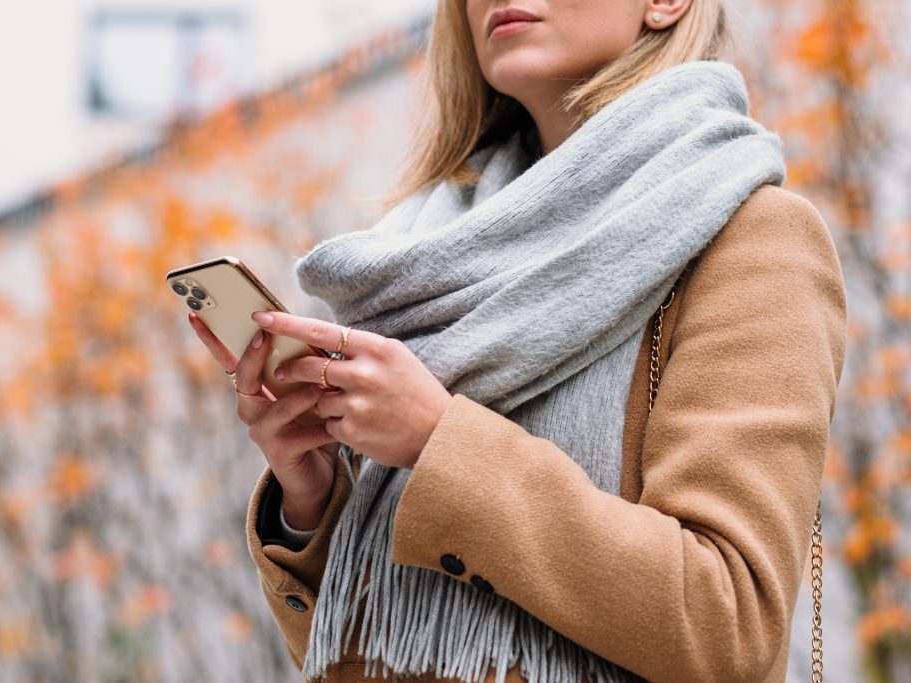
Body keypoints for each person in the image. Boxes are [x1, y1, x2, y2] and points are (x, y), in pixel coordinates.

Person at [188, 0, 847, 681]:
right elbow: (364, 649)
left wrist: (442, 442)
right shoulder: (422, 252)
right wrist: (314, 500)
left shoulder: (750, 237)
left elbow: (728, 626)